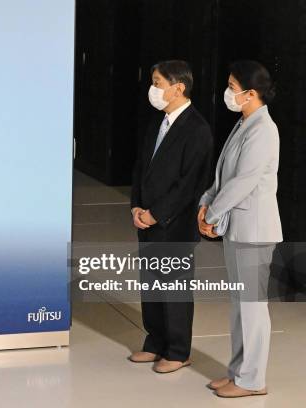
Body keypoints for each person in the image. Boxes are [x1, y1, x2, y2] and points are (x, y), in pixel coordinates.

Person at [198, 60, 281, 398]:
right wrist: (206, 201)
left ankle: (253, 380)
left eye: (232, 87)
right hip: (239, 229)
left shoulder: (264, 129)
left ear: (250, 93)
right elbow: (224, 175)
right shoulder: (244, 123)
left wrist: (212, 215)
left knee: (252, 307)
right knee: (239, 305)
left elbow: (244, 182)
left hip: (255, 231)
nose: (228, 93)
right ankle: (237, 372)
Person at [130, 60, 213, 373]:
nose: (154, 89)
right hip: (147, 219)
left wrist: (156, 214)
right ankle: (155, 343)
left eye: (158, 82)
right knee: (150, 285)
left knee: (174, 289)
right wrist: (136, 207)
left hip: (173, 224)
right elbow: (141, 168)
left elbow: (189, 184)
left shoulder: (197, 129)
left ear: (178, 87)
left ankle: (178, 351)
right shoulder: (157, 123)